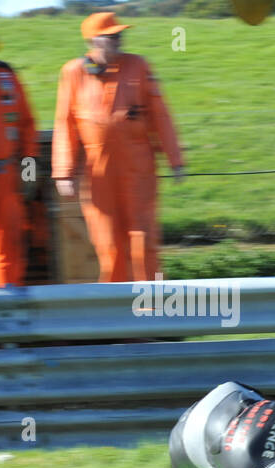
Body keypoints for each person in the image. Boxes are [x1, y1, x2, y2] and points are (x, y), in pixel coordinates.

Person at [52, 12, 184, 284]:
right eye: (110, 36)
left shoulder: (139, 66)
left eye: (119, 34)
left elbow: (160, 114)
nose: (118, 39)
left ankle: (153, 303)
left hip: (139, 167)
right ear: (93, 40)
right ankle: (116, 308)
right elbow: (64, 123)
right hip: (97, 171)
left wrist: (175, 159)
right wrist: (63, 171)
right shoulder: (73, 72)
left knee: (144, 238)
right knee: (107, 242)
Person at [0, 18, 37, 288]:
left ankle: (9, 316)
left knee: (10, 250)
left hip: (8, 176)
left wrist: (28, 172)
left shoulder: (6, 75)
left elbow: (27, 124)